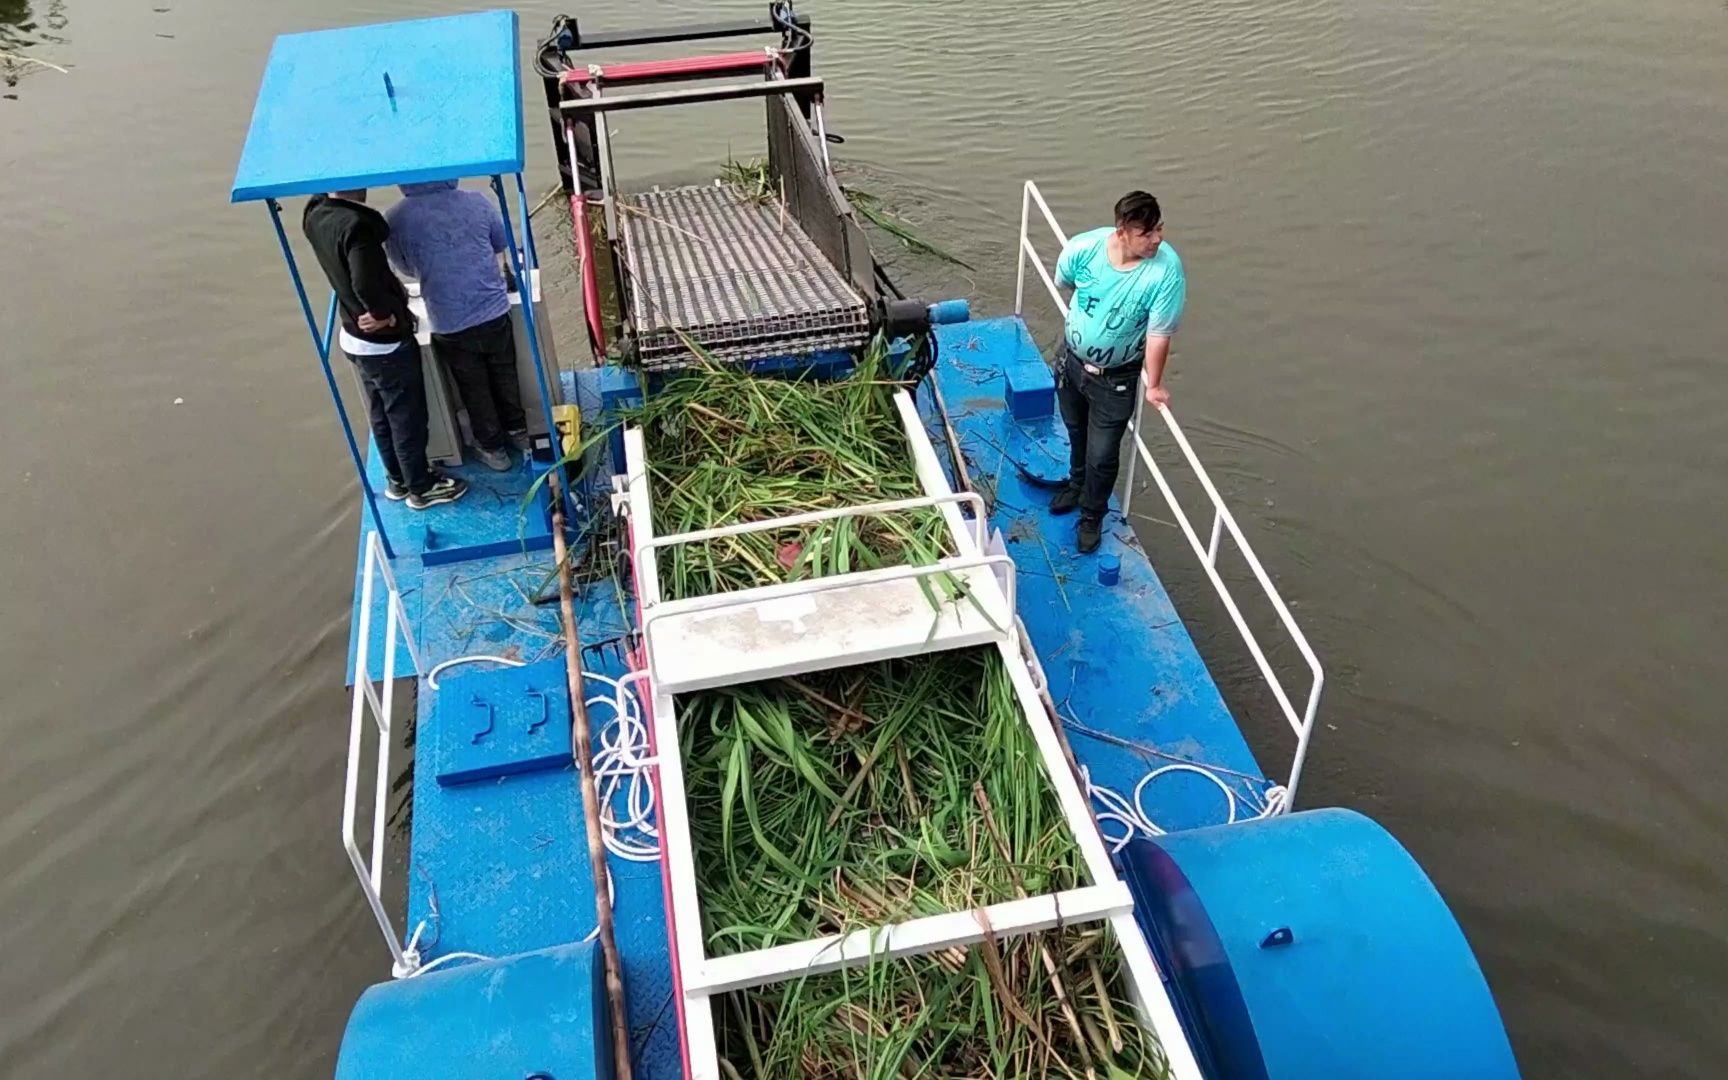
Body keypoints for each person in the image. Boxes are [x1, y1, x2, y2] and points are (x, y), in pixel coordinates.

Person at [303, 190, 468, 511]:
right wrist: (385, 315)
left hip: (354, 337)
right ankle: (421, 486)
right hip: (385, 346)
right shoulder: (358, 227)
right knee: (406, 416)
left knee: (380, 413)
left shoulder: (315, 210)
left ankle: (397, 480)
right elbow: (365, 282)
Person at [1050, 190, 1187, 554]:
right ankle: (1075, 484)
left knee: (1103, 453)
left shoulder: (1166, 273)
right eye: (1147, 233)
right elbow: (1064, 282)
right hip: (1072, 363)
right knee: (1075, 429)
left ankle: (1093, 515)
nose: (1157, 239)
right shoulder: (1085, 249)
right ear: (1123, 230)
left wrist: (1154, 384)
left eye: (1159, 229)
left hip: (1116, 379)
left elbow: (1159, 335)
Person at [385, 180, 528, 472]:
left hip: (449, 320)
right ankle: (519, 431)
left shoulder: (395, 219)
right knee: (504, 371)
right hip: (492, 308)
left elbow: (404, 267)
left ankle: (493, 448)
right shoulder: (477, 201)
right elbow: (500, 242)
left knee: (472, 385)